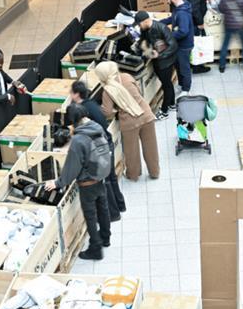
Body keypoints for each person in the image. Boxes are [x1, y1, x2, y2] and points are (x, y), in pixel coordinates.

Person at [44, 103, 111, 260]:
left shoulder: (79, 140)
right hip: (101, 175)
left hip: (87, 183)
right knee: (103, 208)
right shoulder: (96, 127)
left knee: (90, 215)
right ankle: (106, 237)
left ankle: (95, 248)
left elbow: (72, 167)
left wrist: (58, 183)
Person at [66, 80, 126, 221]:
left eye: (71, 92)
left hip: (102, 148)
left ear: (76, 94)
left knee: (106, 182)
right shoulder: (91, 103)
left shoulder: (82, 110)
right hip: (107, 142)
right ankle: (120, 205)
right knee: (111, 178)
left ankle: (114, 214)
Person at [94, 61, 160, 181]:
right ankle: (154, 172)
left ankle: (133, 174)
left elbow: (107, 112)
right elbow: (139, 92)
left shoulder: (107, 90)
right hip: (146, 114)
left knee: (131, 151)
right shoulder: (127, 77)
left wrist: (115, 109)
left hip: (129, 123)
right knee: (151, 147)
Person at [135, 11, 178, 119]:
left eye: (139, 24)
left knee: (166, 85)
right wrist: (139, 48)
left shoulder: (162, 28)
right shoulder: (144, 29)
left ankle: (164, 111)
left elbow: (173, 46)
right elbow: (143, 40)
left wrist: (159, 55)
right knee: (167, 83)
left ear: (145, 21)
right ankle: (172, 104)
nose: (139, 26)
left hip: (166, 62)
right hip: (157, 61)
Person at [161, 0, 195, 94]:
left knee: (184, 68)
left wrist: (168, 36)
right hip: (179, 45)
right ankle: (181, 85)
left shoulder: (182, 13)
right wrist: (159, 23)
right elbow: (172, 18)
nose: (167, 1)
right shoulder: (179, 7)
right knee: (179, 66)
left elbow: (183, 31)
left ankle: (186, 90)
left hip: (184, 46)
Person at [179, 0, 213, 74]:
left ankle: (192, 64)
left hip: (187, 16)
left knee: (191, 42)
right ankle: (197, 67)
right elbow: (194, 6)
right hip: (193, 19)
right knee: (196, 43)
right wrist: (200, 22)